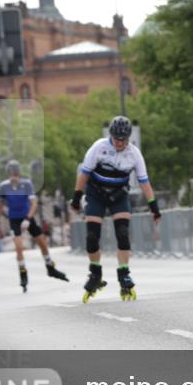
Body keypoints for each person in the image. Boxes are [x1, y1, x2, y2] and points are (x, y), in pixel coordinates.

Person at [69, 115, 161, 302]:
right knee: (92, 236)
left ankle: (124, 274)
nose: (120, 143)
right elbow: (84, 174)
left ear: (128, 138)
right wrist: (76, 198)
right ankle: (95, 274)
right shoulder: (99, 147)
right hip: (96, 194)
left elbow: (144, 182)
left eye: (124, 139)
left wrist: (154, 207)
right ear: (111, 135)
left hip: (119, 195)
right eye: (117, 139)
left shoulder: (134, 154)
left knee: (122, 233)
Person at [0, 160, 69, 292]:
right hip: (14, 219)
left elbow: (33, 203)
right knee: (19, 247)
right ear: (8, 174)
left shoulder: (26, 184)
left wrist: (28, 218)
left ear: (18, 173)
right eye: (11, 173)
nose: (13, 176)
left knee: (42, 242)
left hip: (27, 217)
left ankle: (50, 267)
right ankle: (23, 273)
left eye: (15, 173)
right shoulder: (3, 186)